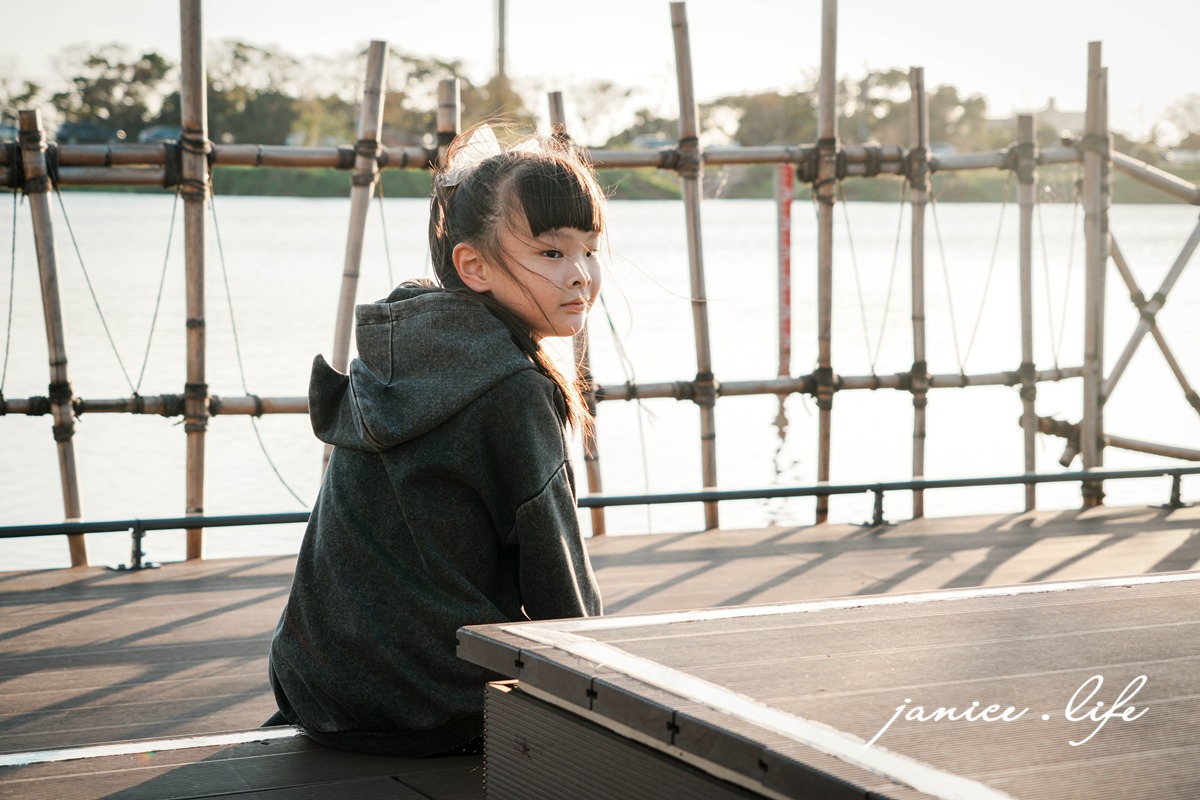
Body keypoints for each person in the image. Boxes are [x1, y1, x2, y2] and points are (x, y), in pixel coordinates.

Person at [265, 125, 605, 757]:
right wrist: (608, 689)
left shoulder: (397, 347)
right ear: (472, 265)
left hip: (315, 687)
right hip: (435, 701)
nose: (581, 275)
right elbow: (559, 581)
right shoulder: (511, 386)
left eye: (590, 249)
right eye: (552, 254)